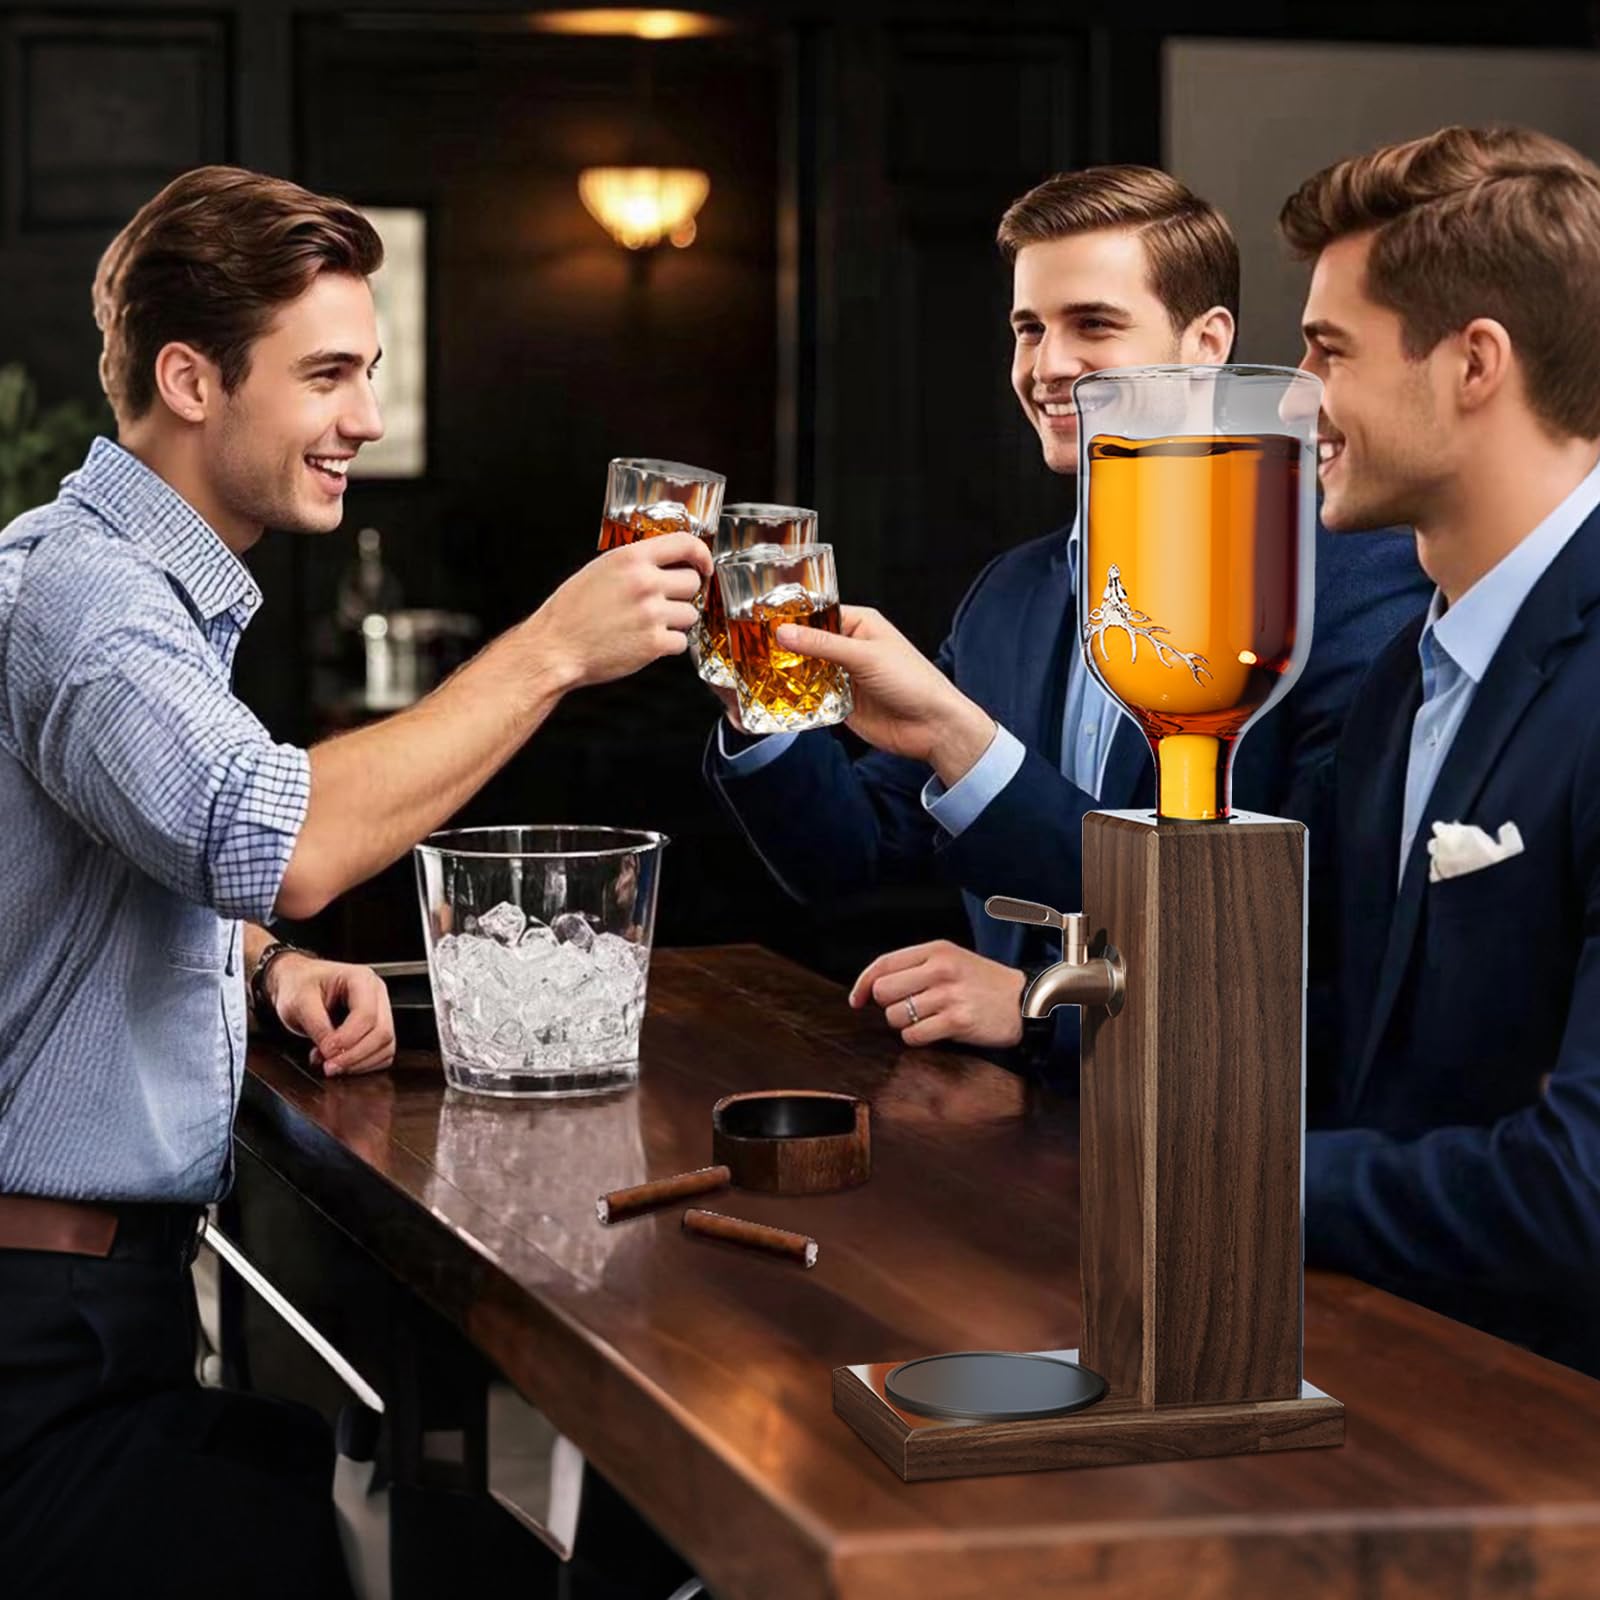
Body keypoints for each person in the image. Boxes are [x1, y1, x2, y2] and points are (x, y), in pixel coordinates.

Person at [0, 166, 711, 1593]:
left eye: (369, 372)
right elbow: (287, 841)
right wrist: (553, 650)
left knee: (465, 1547)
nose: (367, 420)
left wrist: (256, 963)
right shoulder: (88, 607)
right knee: (463, 1569)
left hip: (90, 1315)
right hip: (36, 1350)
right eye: (328, 374)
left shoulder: (117, 581)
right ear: (192, 379)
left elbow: (154, 861)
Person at [705, 166, 1428, 1077]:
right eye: (1029, 329)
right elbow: (849, 859)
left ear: (1207, 343)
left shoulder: (1350, 588)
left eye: (1093, 324)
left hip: (1227, 1149)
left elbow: (1299, 941)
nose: (1048, 366)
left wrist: (1041, 1010)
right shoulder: (1009, 592)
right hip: (997, 1142)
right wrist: (758, 683)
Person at [1281, 125, 1600, 1376]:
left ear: (1474, 364)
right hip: (1390, 1374)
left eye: (1327, 351)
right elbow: (1351, 1024)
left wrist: (1243, 1183)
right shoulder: (1397, 682)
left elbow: (1581, 1193)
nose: (1298, 395)